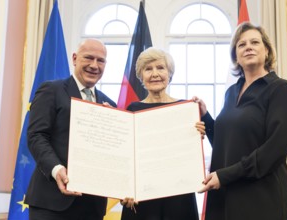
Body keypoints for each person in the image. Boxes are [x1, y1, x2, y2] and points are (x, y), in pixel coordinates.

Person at [196, 22, 287, 220]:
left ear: (267, 51)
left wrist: (225, 176)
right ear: (235, 55)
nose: (248, 47)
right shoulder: (231, 92)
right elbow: (225, 144)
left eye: (255, 42)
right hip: (225, 196)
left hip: (261, 198)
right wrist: (206, 117)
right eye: (241, 44)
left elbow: (275, 150)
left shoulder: (280, 90)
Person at [25, 38, 117, 220]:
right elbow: (36, 136)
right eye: (88, 58)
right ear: (75, 58)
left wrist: (114, 124)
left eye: (100, 60)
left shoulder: (110, 105)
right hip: (51, 203)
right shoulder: (51, 90)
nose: (94, 65)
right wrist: (56, 169)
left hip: (92, 206)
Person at [120, 47, 205, 220]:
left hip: (178, 197)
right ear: (141, 76)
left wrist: (199, 133)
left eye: (160, 68)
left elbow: (191, 152)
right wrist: (125, 189)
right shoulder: (132, 110)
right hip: (142, 199)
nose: (155, 74)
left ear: (170, 74)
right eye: (148, 69)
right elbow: (124, 157)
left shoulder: (186, 109)